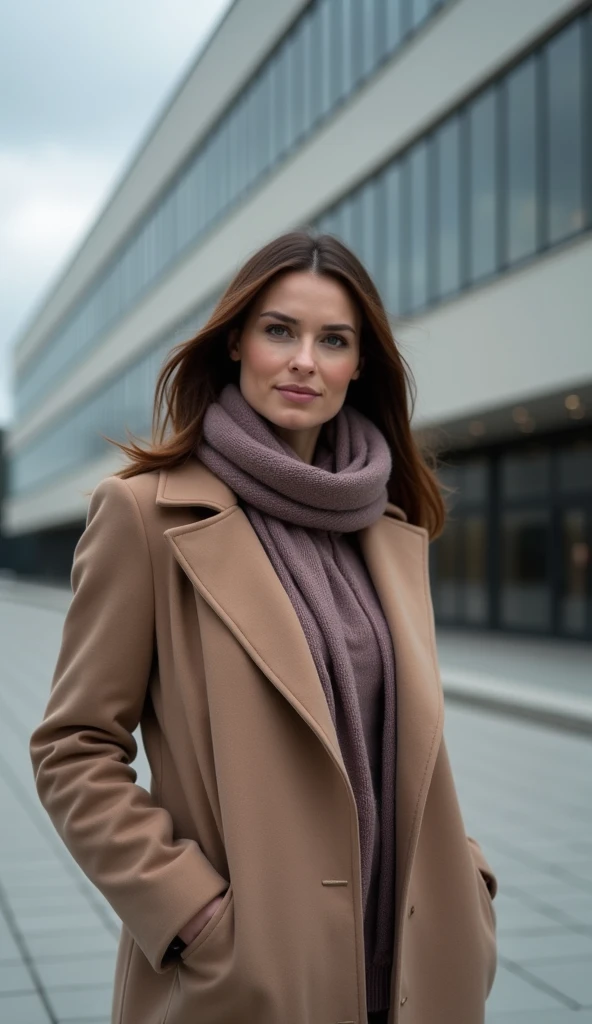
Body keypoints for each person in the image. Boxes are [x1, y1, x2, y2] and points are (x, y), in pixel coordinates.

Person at [29, 231, 498, 1024]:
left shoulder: (386, 528)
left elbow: (409, 739)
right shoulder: (145, 516)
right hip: (251, 977)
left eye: (334, 340)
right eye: (280, 330)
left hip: (412, 965)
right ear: (237, 344)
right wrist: (192, 917)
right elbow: (72, 748)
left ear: (360, 368)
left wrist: (468, 880)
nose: (304, 360)